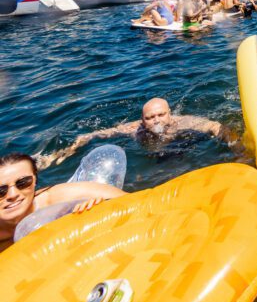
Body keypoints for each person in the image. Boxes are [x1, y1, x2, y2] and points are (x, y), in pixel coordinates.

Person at [37, 98, 230, 170]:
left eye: (161, 115)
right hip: (154, 154)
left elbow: (215, 126)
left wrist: (234, 144)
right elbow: (92, 135)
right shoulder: (133, 129)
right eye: (150, 117)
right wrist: (62, 152)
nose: (156, 120)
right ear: (142, 120)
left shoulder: (183, 123)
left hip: (183, 144)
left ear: (170, 115)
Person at [0, 153, 125, 251]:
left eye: (23, 182)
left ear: (35, 181)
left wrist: (101, 210)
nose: (13, 194)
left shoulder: (65, 197)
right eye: (1, 190)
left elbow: (139, 201)